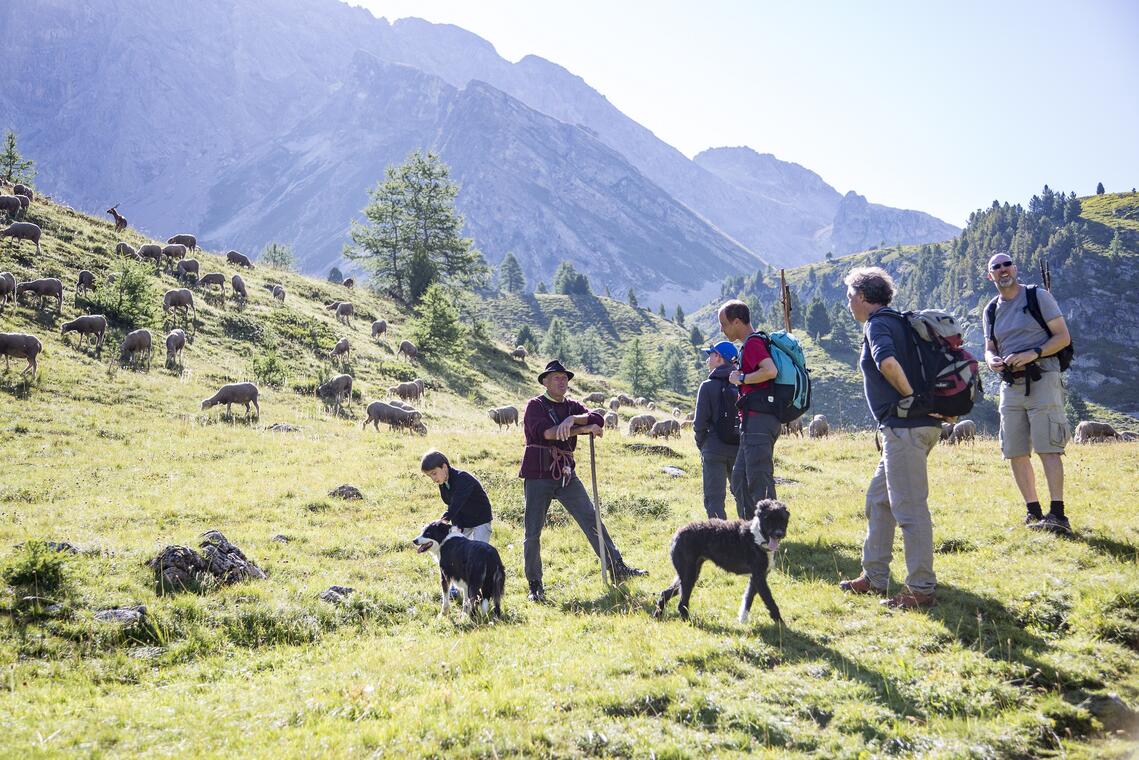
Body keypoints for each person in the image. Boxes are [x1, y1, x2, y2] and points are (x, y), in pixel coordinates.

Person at [839, 267, 942, 609]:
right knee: (878, 501)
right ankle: (875, 576)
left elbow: (886, 363)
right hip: (908, 427)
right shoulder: (900, 321)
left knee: (909, 509)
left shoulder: (877, 324)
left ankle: (920, 589)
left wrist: (911, 397)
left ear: (864, 297)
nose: (848, 303)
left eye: (850, 296)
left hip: (906, 427)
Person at [519, 360, 647, 602]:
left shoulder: (572, 406)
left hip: (566, 474)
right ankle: (535, 584)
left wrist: (574, 420)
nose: (562, 381)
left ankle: (617, 566)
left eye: (564, 378)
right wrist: (579, 429)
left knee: (590, 517)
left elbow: (598, 420)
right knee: (533, 531)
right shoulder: (535, 406)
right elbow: (548, 434)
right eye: (556, 378)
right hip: (538, 474)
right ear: (545, 381)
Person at [982, 251, 1073, 534]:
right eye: (996, 267)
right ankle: (1033, 513)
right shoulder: (991, 309)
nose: (1002, 269)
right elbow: (990, 346)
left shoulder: (1038, 297)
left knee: (1048, 447)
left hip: (1043, 375)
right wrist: (991, 361)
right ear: (991, 275)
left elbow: (1062, 337)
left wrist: (1033, 353)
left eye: (1007, 264)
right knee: (1015, 449)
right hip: (1010, 383)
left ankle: (1058, 515)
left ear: (1015, 268)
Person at [717, 300, 780, 519]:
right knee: (740, 479)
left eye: (724, 324)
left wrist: (741, 378)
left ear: (736, 322)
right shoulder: (750, 345)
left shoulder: (753, 343)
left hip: (760, 421)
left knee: (758, 479)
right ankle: (750, 531)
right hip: (753, 422)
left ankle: (770, 534)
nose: (722, 329)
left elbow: (770, 371)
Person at [692, 340, 740, 519]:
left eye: (710, 355)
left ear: (719, 357)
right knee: (742, 495)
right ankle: (751, 539)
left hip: (713, 449)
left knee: (714, 500)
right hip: (738, 448)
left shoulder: (707, 386)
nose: (707, 360)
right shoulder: (741, 383)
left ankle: (720, 543)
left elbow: (699, 424)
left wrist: (704, 444)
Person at [421, 450, 493, 544]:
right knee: (459, 550)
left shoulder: (462, 479)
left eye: (434, 473)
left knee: (478, 551)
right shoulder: (443, 484)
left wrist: (445, 518)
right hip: (464, 522)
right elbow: (451, 505)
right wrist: (457, 526)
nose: (433, 479)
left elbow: (457, 502)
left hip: (481, 519)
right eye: (429, 476)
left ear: (444, 467)